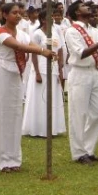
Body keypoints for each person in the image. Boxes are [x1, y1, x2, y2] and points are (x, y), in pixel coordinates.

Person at [0, 3, 54, 172]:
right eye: (14, 13)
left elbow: (29, 44)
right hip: (1, 73)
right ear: (5, 15)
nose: (18, 15)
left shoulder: (22, 33)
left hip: (15, 75)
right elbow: (17, 46)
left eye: (19, 13)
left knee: (14, 114)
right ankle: (0, 156)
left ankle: (12, 157)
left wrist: (44, 50)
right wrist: (42, 51)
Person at [64, 3, 98, 164]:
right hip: (80, 72)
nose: (88, 8)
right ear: (77, 12)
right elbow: (81, 53)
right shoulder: (72, 31)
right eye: (84, 6)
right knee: (78, 113)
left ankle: (88, 149)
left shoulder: (90, 29)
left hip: (94, 72)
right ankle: (78, 152)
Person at [22, 10, 66, 138]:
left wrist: (60, 67)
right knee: (39, 98)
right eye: (48, 17)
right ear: (42, 19)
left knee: (53, 96)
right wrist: (36, 72)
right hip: (41, 68)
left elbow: (61, 48)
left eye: (52, 17)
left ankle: (53, 127)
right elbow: (34, 53)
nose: (51, 19)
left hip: (54, 69)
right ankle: (38, 128)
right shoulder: (37, 34)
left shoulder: (56, 31)